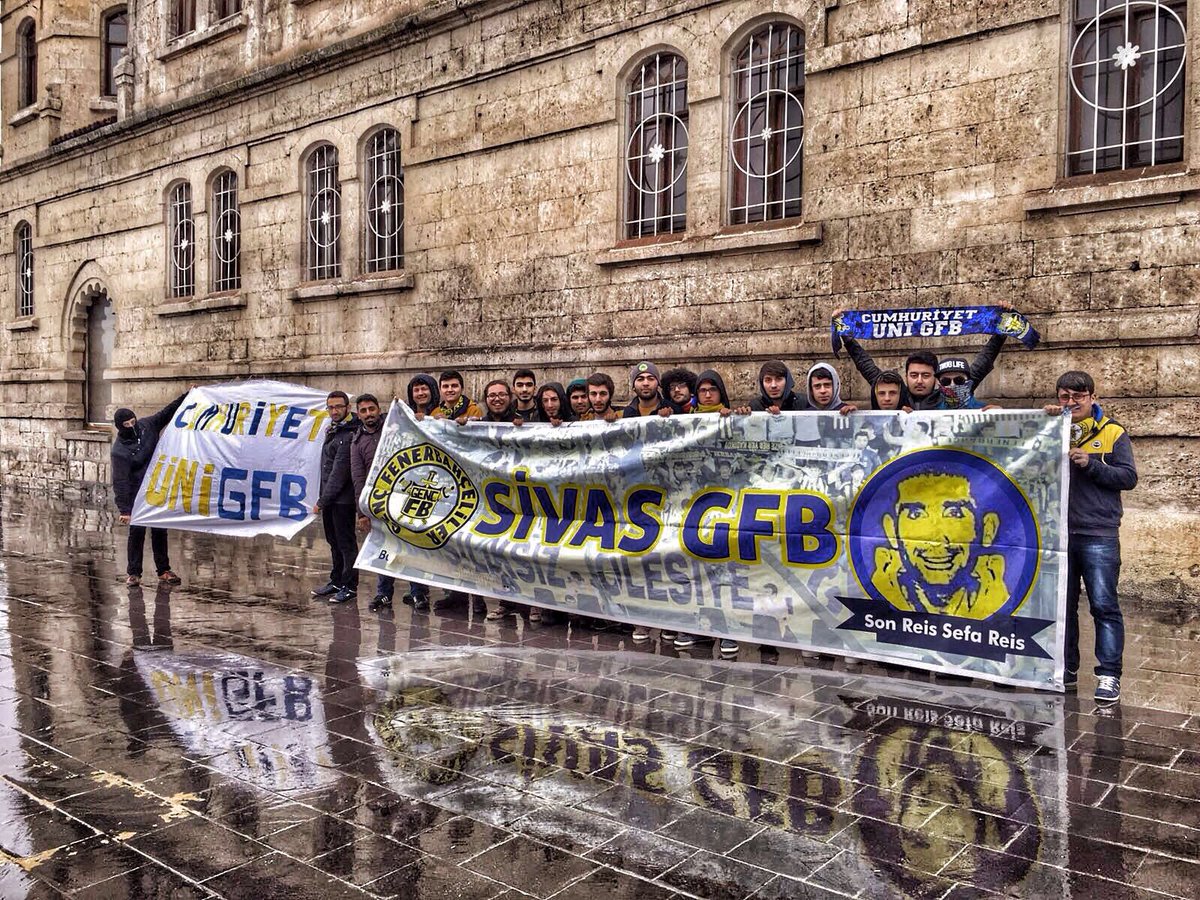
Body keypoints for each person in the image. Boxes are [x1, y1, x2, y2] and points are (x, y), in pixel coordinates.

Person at [1043, 371, 1137, 704]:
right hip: (1060, 535)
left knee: (1104, 606)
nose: (1071, 403)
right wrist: (1044, 422)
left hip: (1099, 534)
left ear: (1092, 398)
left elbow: (1128, 478)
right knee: (1062, 608)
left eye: (1078, 397)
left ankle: (1109, 675)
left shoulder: (1113, 432)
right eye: (1064, 397)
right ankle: (1066, 672)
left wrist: (1091, 464)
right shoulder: (1051, 427)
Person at [111, 391, 189, 586]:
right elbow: (120, 481)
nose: (131, 426)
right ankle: (134, 573)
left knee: (160, 530)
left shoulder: (147, 426)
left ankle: (163, 570)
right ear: (120, 427)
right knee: (137, 532)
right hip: (137, 494)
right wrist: (125, 510)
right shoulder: (119, 451)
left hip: (156, 488)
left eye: (132, 421)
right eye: (126, 425)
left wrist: (186, 395)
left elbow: (167, 413)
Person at [313, 391, 360, 604]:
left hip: (343, 500)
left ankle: (349, 585)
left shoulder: (349, 434)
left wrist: (322, 501)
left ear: (348, 408)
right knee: (333, 541)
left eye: (338, 407)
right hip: (332, 499)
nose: (334, 411)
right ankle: (336, 580)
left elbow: (339, 473)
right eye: (330, 407)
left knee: (346, 543)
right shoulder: (334, 430)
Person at [350, 393, 395, 610]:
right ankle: (384, 593)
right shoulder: (357, 442)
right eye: (364, 411)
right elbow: (358, 478)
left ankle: (418, 594)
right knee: (382, 550)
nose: (369, 414)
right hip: (377, 504)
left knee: (411, 546)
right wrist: (362, 512)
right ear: (358, 415)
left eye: (372, 409)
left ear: (379, 409)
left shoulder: (395, 427)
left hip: (401, 498)